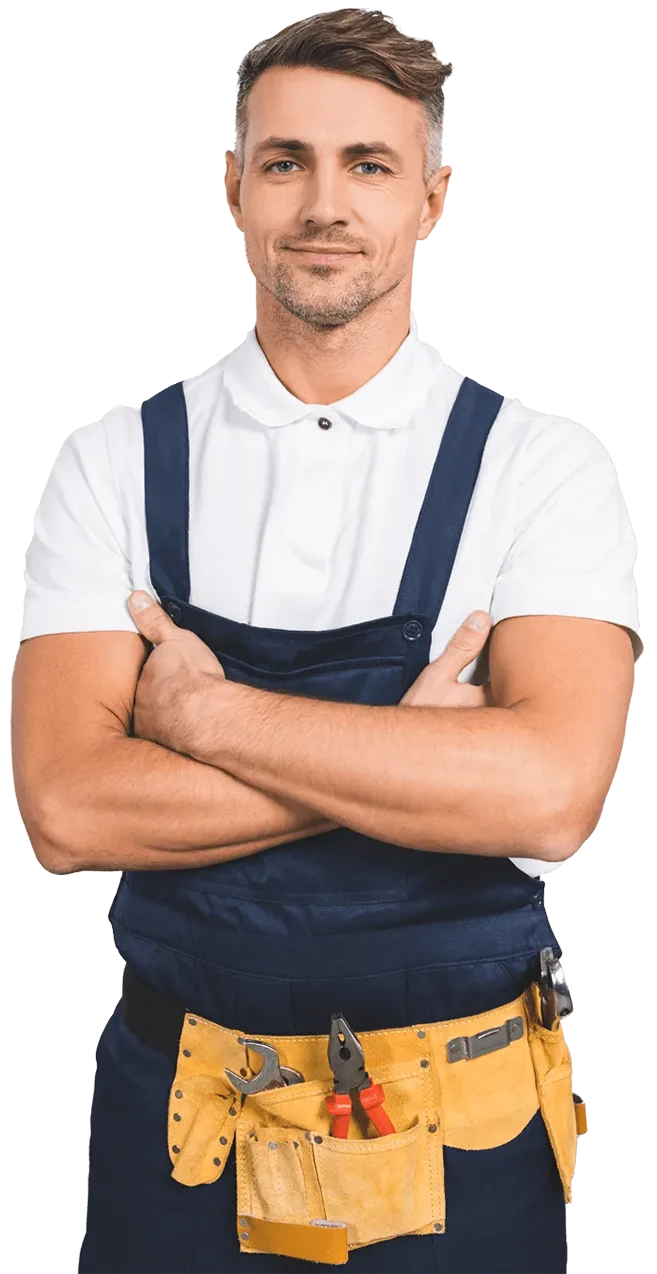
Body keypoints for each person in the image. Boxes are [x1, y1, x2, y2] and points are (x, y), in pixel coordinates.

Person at [11, 10, 641, 1273]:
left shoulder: (546, 467)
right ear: (234, 187)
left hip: (464, 1124)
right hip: (181, 1112)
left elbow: (548, 795)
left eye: (369, 163)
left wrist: (204, 718)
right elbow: (69, 810)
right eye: (286, 161)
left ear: (432, 198)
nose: (324, 204)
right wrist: (407, 753)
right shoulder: (111, 460)